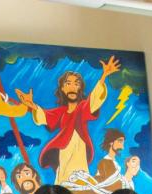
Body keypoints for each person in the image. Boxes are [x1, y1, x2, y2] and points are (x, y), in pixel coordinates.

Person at [16, 57, 121, 185]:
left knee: (80, 178)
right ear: (62, 89)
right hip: (63, 151)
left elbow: (94, 100)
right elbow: (44, 116)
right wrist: (32, 105)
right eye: (68, 83)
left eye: (76, 84)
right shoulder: (61, 112)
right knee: (63, 179)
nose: (72, 87)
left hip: (79, 149)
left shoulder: (82, 107)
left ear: (80, 89)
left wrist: (104, 76)